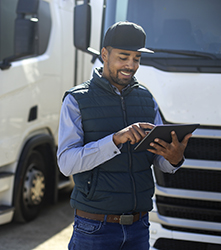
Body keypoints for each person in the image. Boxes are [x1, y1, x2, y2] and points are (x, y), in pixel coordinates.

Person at [57, 21, 191, 250]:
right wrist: (115, 140)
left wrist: (174, 158)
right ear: (104, 54)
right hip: (94, 227)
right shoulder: (76, 100)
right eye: (123, 57)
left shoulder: (147, 99)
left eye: (137, 58)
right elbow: (66, 164)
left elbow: (158, 160)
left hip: (138, 227)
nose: (131, 65)